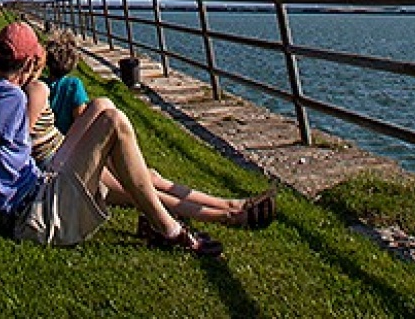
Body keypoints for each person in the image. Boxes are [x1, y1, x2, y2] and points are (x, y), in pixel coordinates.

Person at [0, 22, 229, 260]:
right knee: (115, 122)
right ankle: (169, 230)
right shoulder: (11, 99)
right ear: (32, 61)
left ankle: (157, 218)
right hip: (34, 214)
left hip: (40, 190)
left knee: (103, 106)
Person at [21, 34, 273, 232]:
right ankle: (227, 214)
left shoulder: (36, 90)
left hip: (69, 157)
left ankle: (230, 205)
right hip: (71, 166)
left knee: (149, 177)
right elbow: (71, 125)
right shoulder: (59, 88)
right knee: (143, 190)